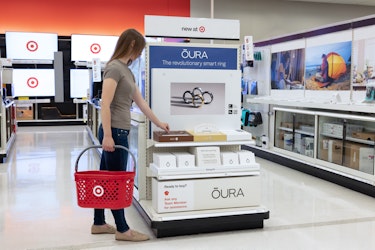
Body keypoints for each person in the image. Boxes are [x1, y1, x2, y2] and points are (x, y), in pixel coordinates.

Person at [91, 28, 170, 242]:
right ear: (132, 45)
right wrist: (108, 135)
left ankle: (98, 222)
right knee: (117, 182)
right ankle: (123, 229)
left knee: (106, 177)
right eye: (140, 50)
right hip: (114, 132)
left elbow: (141, 102)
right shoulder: (114, 68)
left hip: (117, 131)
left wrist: (159, 123)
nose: (139, 56)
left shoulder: (126, 70)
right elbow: (104, 104)